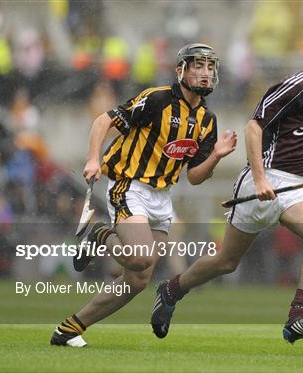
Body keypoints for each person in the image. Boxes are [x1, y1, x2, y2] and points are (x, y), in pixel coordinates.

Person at [152, 28, 303, 344]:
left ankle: (297, 318)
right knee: (227, 262)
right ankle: (170, 290)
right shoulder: (295, 86)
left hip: (299, 187)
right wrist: (261, 179)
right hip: (265, 178)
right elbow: (253, 128)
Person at [50, 43, 237, 347]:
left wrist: (215, 156)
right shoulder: (157, 99)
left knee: (138, 279)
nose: (205, 74)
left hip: (162, 197)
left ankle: (70, 328)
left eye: (210, 67)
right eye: (198, 66)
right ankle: (99, 235)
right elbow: (104, 120)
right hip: (130, 185)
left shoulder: (207, 121)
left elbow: (194, 177)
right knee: (141, 257)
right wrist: (93, 159)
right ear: (181, 71)